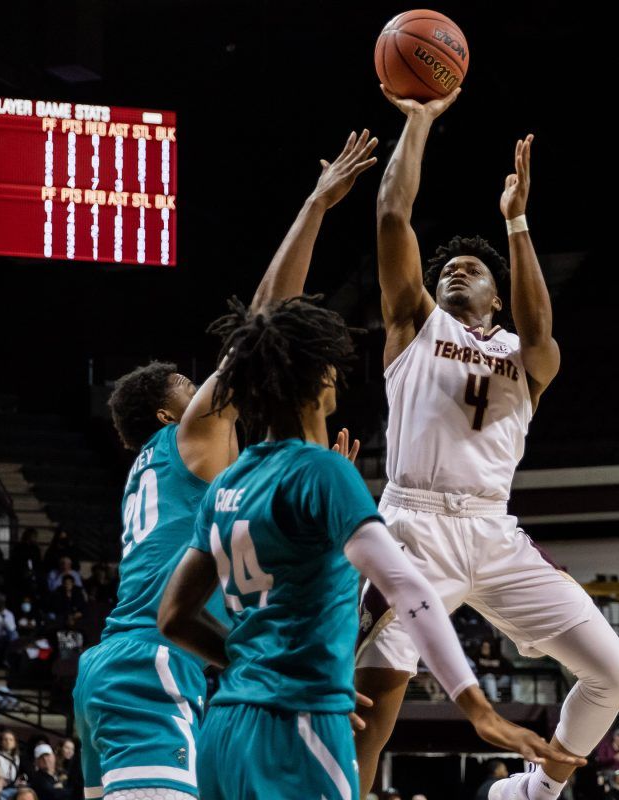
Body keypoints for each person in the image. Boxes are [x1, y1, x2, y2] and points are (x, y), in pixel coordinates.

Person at [157, 295, 573, 799]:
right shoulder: (324, 472)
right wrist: (480, 712)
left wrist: (256, 667)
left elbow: (174, 616)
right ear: (320, 379)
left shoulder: (229, 482)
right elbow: (406, 588)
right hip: (300, 727)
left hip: (223, 729)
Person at [71, 130, 381, 800]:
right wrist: (316, 207)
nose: (208, 390)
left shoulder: (169, 476)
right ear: (166, 416)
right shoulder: (192, 437)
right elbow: (259, 330)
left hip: (113, 668)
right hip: (150, 666)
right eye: (189, 385)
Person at [355, 85, 619, 800]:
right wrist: (417, 123)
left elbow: (543, 333)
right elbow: (392, 214)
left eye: (473, 269)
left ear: (497, 294)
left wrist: (516, 223)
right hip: (413, 523)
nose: (456, 269)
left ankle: (533, 791)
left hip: (493, 529)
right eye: (449, 266)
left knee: (615, 672)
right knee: (373, 705)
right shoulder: (413, 325)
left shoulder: (525, 355)